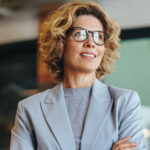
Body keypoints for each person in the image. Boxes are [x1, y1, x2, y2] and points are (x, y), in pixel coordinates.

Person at [10, 1, 146, 150]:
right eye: (80, 34)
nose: (91, 43)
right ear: (60, 42)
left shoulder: (124, 103)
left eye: (99, 36)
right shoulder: (29, 109)